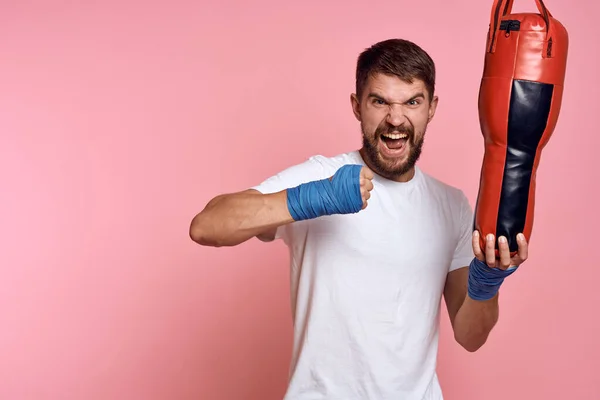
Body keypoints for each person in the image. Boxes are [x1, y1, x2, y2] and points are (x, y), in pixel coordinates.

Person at [189, 38, 529, 400]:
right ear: (357, 106)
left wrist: (486, 283)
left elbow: (470, 336)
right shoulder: (322, 175)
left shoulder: (453, 206)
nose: (395, 119)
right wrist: (312, 198)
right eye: (379, 101)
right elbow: (206, 226)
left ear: (431, 107)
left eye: (412, 101)